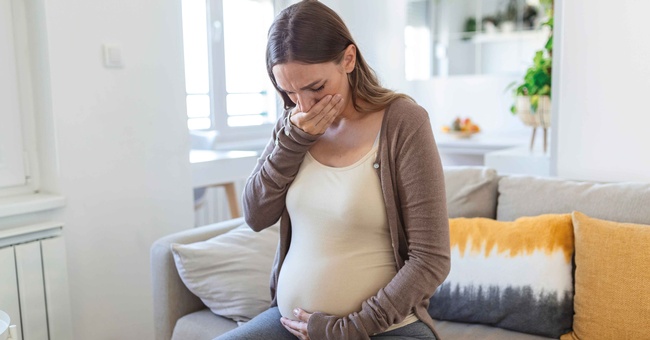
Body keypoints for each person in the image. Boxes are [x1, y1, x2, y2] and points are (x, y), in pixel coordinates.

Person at [215, 1, 450, 339]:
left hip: (385, 329)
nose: (304, 105)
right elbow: (255, 215)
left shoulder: (404, 123)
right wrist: (294, 140)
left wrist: (349, 329)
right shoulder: (292, 125)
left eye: (315, 88)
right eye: (289, 91)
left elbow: (431, 259)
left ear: (348, 60)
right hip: (291, 326)